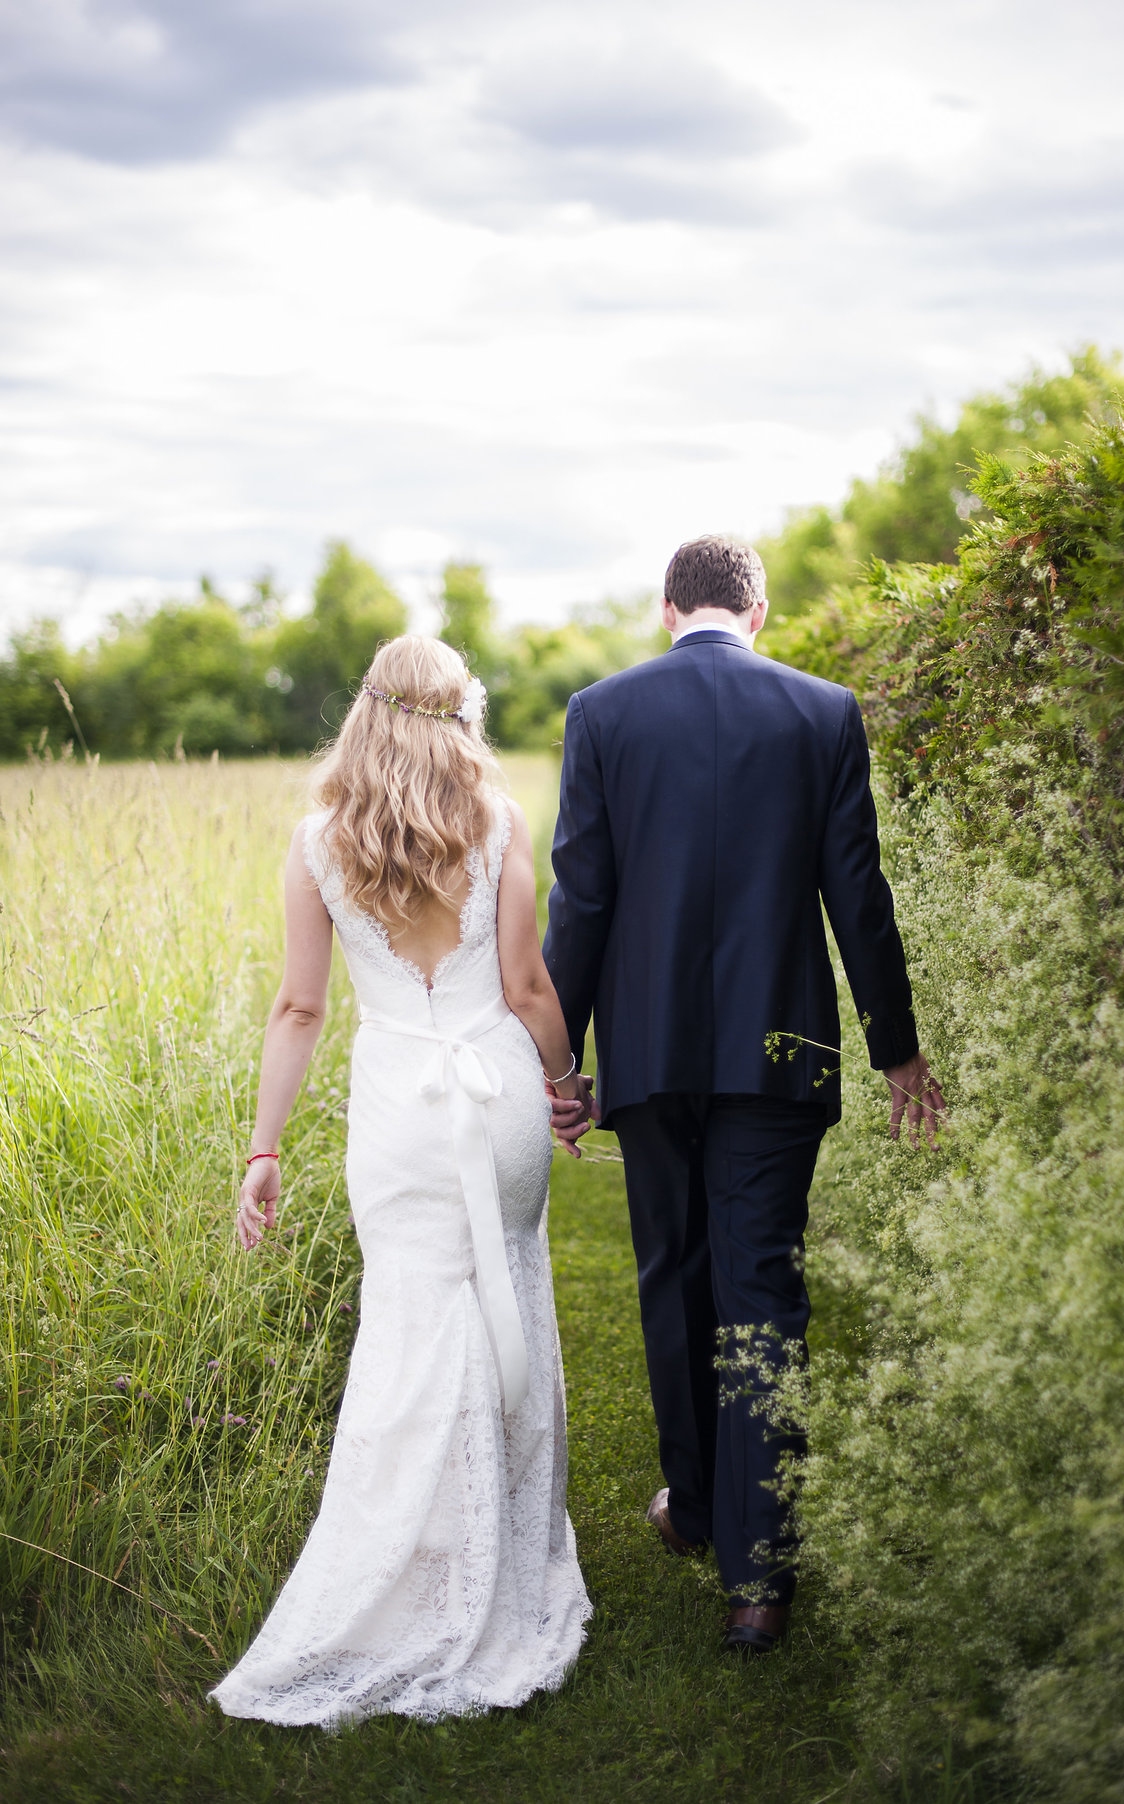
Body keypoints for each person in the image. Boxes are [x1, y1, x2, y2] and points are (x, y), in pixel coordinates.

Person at [542, 535, 944, 1655]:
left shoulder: (602, 712)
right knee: (762, 1283)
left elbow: (582, 897)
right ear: (757, 611)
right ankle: (759, 1579)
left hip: (654, 1048)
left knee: (674, 1271)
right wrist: (894, 1047)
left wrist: (558, 1061)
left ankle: (701, 1504)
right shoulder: (823, 710)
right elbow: (857, 891)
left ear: (666, 607)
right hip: (783, 1046)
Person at [210, 635, 592, 1726]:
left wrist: (264, 1149)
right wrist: (566, 1084)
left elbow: (299, 1009)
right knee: (502, 1293)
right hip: (496, 1094)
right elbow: (525, 983)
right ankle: (500, 1556)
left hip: (396, 1115)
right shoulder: (500, 822)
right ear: (458, 712)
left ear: (366, 712)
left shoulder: (316, 840)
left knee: (410, 1329)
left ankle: (410, 1565)